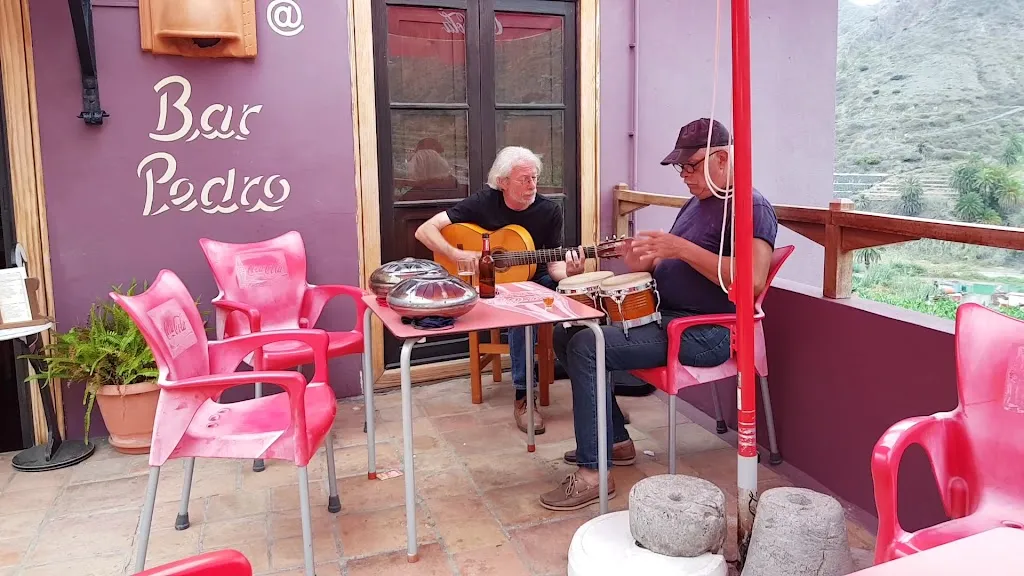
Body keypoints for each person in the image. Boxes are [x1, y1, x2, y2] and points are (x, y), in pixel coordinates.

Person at [538, 118, 779, 511]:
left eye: (691, 166)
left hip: (704, 331)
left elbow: (750, 281)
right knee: (568, 333)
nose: (684, 176)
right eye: (679, 167)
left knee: (586, 345)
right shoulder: (696, 204)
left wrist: (679, 249)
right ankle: (614, 441)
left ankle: (591, 473)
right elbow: (670, 263)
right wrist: (643, 261)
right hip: (662, 316)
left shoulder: (751, 206)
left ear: (721, 158)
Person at [415, 146, 585, 434]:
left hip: (536, 278)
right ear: (503, 182)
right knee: (519, 313)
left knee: (577, 298)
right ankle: (523, 397)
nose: (532, 186)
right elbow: (424, 231)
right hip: (487, 284)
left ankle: (594, 389)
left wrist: (570, 272)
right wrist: (454, 254)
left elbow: (554, 267)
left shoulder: (548, 211)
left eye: (535, 178)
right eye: (524, 179)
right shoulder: (483, 202)